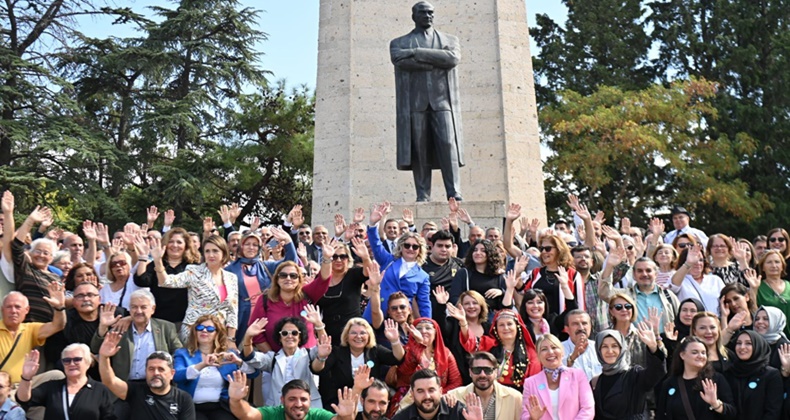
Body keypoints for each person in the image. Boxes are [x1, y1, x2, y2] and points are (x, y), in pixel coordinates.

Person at [390, 1, 464, 202]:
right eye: (423, 13)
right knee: (419, 149)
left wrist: (416, 53)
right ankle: (423, 194)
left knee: (448, 145)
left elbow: (452, 59)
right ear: (414, 16)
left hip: (442, 103)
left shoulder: (450, 40)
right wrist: (435, 61)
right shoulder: (399, 43)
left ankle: (454, 192)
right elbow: (399, 60)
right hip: (416, 104)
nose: (428, 16)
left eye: (431, 12)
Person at [150, 234, 239, 342]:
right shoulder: (194, 272)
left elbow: (232, 311)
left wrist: (231, 339)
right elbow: (166, 282)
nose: (211, 255)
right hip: (194, 331)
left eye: (215, 251)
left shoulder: (231, 278)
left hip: (219, 333)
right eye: (207, 251)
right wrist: (158, 261)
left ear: (224, 253)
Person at [174, 315, 256, 420]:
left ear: (217, 333)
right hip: (192, 406)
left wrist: (239, 362)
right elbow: (176, 376)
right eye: (200, 328)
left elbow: (253, 373)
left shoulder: (228, 354)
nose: (204, 331)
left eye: (210, 329)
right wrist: (202, 364)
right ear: (195, 332)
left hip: (221, 405)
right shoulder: (183, 353)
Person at [312, 317, 405, 411]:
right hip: (341, 403)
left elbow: (397, 358)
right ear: (346, 336)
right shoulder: (337, 352)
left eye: (363, 333)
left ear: (369, 336)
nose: (358, 336)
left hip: (370, 404)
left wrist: (395, 341)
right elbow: (317, 369)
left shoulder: (375, 350)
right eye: (353, 333)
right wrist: (321, 357)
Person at [98, 332, 196, 420]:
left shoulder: (183, 398)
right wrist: (104, 357)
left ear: (172, 374)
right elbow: (109, 381)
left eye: (161, 369)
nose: (156, 373)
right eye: (151, 369)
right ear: (146, 371)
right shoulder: (136, 390)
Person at [89, 289, 182, 381]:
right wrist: (103, 326)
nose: (138, 311)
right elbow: (96, 349)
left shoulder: (165, 328)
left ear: (152, 309)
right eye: (134, 307)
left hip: (156, 383)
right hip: (125, 386)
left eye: (143, 307)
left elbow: (178, 353)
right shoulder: (120, 328)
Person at [241, 310, 328, 408]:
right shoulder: (272, 359)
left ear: (300, 337)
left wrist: (319, 325)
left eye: (294, 333)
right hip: (279, 410)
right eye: (285, 333)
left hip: (307, 409)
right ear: (280, 338)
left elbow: (324, 345)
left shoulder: (308, 354)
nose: (289, 336)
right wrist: (248, 337)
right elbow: (250, 357)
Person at [225, 229, 298, 341]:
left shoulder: (266, 266)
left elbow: (291, 262)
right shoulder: (229, 270)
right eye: (247, 244)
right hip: (241, 317)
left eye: (255, 245)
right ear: (241, 247)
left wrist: (288, 241)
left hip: (265, 315)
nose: (251, 247)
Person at [364, 202, 431, 321]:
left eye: (415, 247)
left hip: (401, 318)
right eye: (407, 245)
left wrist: (426, 324)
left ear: (420, 251)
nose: (410, 249)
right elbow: (376, 244)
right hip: (377, 313)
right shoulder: (388, 260)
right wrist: (373, 224)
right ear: (401, 246)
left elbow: (424, 303)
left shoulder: (423, 276)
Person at [386, 317, 462, 417]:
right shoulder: (406, 351)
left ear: (436, 333)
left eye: (428, 328)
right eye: (419, 328)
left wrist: (437, 395)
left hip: (438, 398)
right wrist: (419, 345)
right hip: (409, 398)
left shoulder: (445, 353)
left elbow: (456, 381)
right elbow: (405, 376)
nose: (423, 331)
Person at [248, 260, 331, 352]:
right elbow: (256, 333)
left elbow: (324, 279)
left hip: (307, 358)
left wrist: (327, 258)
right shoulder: (265, 300)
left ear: (299, 280)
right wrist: (274, 358)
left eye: (293, 276)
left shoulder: (307, 295)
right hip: (276, 360)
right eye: (283, 275)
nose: (288, 278)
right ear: (277, 279)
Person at [16, 345, 116, 419]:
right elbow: (23, 399)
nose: (71, 364)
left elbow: (109, 417)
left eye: (77, 359)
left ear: (88, 363)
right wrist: (26, 377)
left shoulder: (100, 390)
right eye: (67, 360)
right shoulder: (52, 387)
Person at [591, 325, 666, 419]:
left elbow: (656, 372)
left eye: (614, 346)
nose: (610, 351)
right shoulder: (595, 382)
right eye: (604, 346)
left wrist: (653, 347)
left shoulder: (634, 375)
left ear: (621, 349)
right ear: (598, 350)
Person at [458, 308, 540, 391]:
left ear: (517, 326)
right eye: (501, 325)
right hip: (489, 394)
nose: (506, 328)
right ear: (496, 328)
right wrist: (463, 322)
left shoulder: (530, 352)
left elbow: (534, 382)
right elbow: (470, 343)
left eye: (509, 324)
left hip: (520, 397)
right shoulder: (489, 344)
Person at [134, 227, 200, 328]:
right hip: (158, 320)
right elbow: (141, 281)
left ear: (186, 245)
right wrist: (143, 256)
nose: (175, 245)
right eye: (171, 242)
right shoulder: (156, 263)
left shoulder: (193, 266)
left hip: (184, 322)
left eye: (179, 242)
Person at [656, 336, 736, 419]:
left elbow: (732, 412)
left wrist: (716, 404)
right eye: (695, 352)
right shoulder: (670, 383)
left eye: (703, 353)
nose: (700, 356)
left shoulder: (716, 379)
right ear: (682, 355)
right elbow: (661, 415)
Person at [0, 285, 65, 383]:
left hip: (24, 385)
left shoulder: (30, 329)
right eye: (9, 307)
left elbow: (58, 326)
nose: (13, 311)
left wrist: (59, 307)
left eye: (17, 307)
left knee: (57, 375)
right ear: (2, 310)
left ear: (26, 310)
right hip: (2, 388)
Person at [520, 333, 594, 420]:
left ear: (562, 352)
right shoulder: (530, 383)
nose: (550, 352)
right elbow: (525, 415)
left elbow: (588, 409)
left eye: (554, 347)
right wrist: (533, 419)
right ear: (538, 356)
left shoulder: (578, 375)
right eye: (544, 349)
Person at [228, 373, 359, 420]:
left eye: (303, 399)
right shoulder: (273, 413)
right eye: (292, 399)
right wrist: (235, 400)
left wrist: (347, 417)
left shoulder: (318, 415)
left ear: (310, 400)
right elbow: (246, 415)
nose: (298, 404)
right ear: (282, 400)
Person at [10, 204, 60, 322]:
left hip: (51, 328)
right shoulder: (25, 268)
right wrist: (30, 221)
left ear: (52, 258)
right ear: (30, 253)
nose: (41, 255)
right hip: (27, 326)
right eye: (38, 251)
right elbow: (16, 246)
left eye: (46, 253)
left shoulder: (56, 277)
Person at [315, 238, 371, 345]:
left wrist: (365, 257)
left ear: (348, 259)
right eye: (334, 257)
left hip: (353, 332)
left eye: (343, 256)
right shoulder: (321, 278)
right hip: (329, 333)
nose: (338, 260)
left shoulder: (353, 274)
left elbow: (368, 272)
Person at [433, 287, 489, 384]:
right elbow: (440, 328)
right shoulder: (454, 323)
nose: (471, 306)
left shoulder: (488, 326)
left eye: (475, 303)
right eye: (467, 304)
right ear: (461, 306)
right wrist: (441, 305)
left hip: (483, 376)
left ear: (481, 306)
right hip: (459, 376)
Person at [445, 352, 524, 419]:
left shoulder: (514, 397)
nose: (482, 375)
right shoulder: (454, 396)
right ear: (470, 372)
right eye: (477, 370)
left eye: (487, 370)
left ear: (496, 372)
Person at [724, 330, 783, 420]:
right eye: (738, 343)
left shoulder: (770, 375)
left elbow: (773, 411)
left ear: (757, 346)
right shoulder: (730, 372)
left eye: (748, 343)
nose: (742, 347)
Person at [391, 369, 484, 420]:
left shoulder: (458, 413)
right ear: (412, 394)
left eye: (431, 390)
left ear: (440, 391)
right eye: (420, 391)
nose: (427, 396)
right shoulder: (401, 418)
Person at [448, 239, 506, 317]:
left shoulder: (498, 275)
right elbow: (454, 298)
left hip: (491, 319)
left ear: (490, 254)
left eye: (483, 250)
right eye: (475, 250)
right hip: (469, 317)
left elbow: (507, 305)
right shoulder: (463, 273)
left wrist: (501, 292)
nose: (478, 253)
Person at [670, 245, 725, 315]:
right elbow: (673, 285)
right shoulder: (680, 279)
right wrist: (689, 263)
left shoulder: (715, 280)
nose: (698, 263)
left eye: (701, 260)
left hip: (714, 323)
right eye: (694, 260)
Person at [754, 250, 790, 337]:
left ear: (782, 266)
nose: (774, 266)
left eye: (777, 262)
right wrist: (753, 289)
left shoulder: (789, 285)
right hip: (768, 338)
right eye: (769, 262)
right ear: (763, 267)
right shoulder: (758, 287)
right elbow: (753, 311)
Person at [561, 310, 601, 381]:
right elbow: (555, 374)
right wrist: (573, 357)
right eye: (575, 324)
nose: (581, 328)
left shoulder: (599, 347)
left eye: (584, 323)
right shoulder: (558, 350)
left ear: (590, 326)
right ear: (566, 329)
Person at [752, 306, 790, 370]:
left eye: (766, 318)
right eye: (757, 319)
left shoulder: (784, 347)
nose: (760, 322)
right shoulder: (750, 342)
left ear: (776, 321)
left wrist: (786, 370)